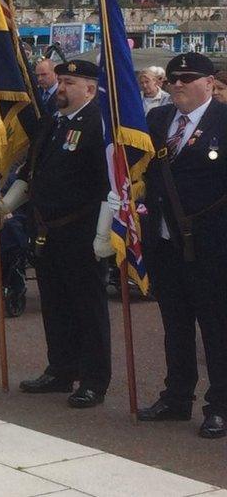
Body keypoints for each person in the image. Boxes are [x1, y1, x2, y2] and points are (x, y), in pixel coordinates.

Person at [0, 60, 112, 407]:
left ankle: (93, 378)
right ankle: (61, 369)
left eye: (69, 82)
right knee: (54, 303)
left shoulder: (98, 125)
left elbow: (110, 185)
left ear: (89, 88)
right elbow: (30, 171)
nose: (60, 88)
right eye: (60, 81)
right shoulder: (52, 123)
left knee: (87, 307)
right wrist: (7, 203)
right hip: (45, 229)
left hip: (81, 229)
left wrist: (105, 233)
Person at [137, 53, 227, 439]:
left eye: (187, 79)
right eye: (173, 79)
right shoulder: (157, 120)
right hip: (164, 240)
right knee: (174, 325)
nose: (177, 85)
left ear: (209, 83)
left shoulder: (223, 122)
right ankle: (176, 397)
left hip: (212, 245)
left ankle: (220, 405)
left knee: (216, 328)